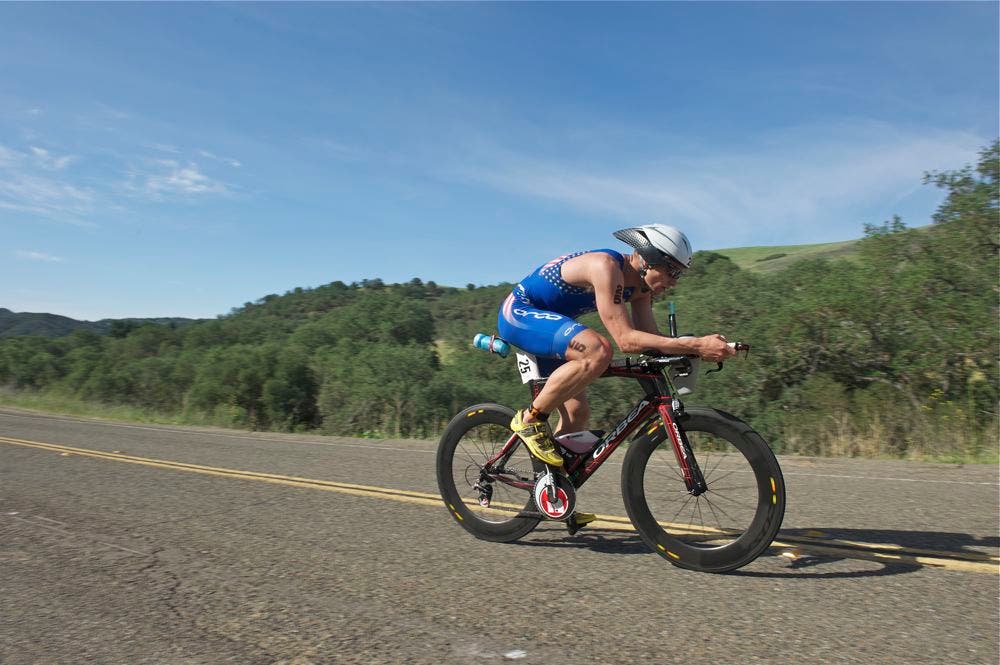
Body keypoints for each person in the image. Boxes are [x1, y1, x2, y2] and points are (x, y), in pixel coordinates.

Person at [497, 223, 736, 474]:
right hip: (520, 313)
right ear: (649, 259)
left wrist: (696, 348)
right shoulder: (606, 267)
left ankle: (552, 492)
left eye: (679, 275)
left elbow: (650, 339)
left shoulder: (641, 290)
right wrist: (696, 345)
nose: (674, 282)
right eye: (672, 272)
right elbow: (627, 340)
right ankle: (530, 421)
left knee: (577, 414)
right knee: (598, 350)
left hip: (553, 327)